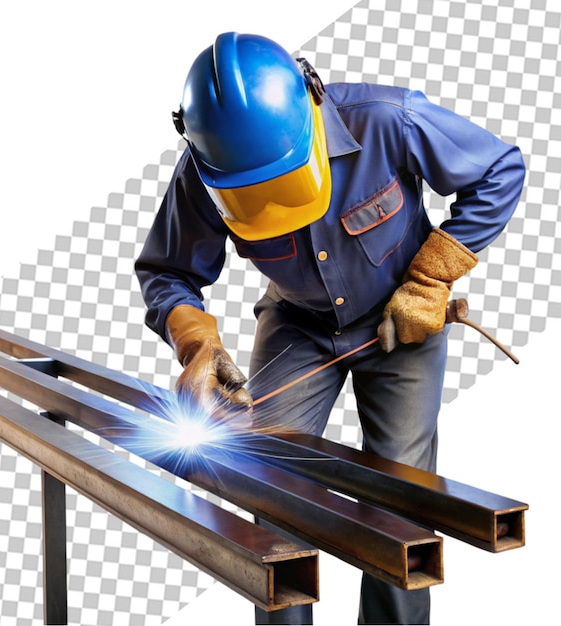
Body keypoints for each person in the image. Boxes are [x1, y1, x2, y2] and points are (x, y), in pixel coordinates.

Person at [135, 32, 525, 625]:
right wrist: (197, 342)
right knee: (265, 473)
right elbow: (167, 272)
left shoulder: (387, 121)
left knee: (402, 490)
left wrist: (432, 277)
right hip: (297, 322)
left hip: (403, 320)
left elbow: (500, 168)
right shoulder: (202, 173)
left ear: (311, 108)